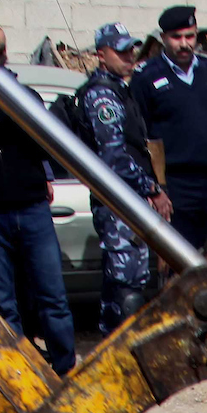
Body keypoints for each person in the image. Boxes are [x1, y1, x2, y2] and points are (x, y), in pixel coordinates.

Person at [0, 77, 76, 374]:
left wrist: (15, 110)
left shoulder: (25, 95)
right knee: (3, 303)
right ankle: (19, 372)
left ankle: (66, 369)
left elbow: (46, 148)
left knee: (52, 296)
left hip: (32, 208)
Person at [135, 5, 207, 252]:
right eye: (176, 37)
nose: (184, 44)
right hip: (176, 186)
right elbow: (141, 138)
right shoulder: (146, 76)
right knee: (181, 258)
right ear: (163, 38)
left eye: (189, 36)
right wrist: (155, 189)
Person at [83, 23, 166, 330]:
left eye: (131, 50)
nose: (129, 56)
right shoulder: (103, 96)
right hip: (118, 203)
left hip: (127, 201)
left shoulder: (119, 89)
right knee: (127, 286)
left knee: (124, 284)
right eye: (120, 51)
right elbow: (115, 158)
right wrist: (151, 188)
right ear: (101, 55)